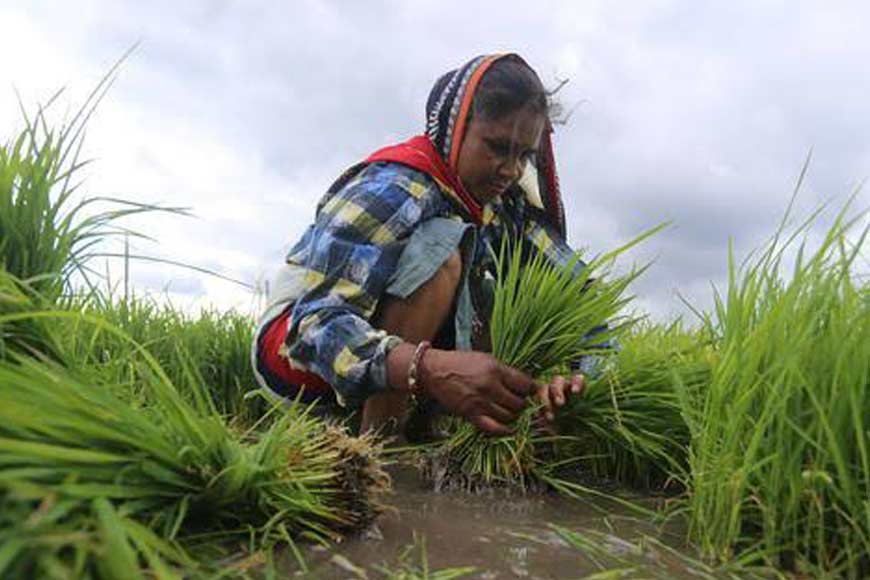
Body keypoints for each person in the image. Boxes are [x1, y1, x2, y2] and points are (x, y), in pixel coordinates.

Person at [252, 53, 587, 438]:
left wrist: (578, 378)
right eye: (496, 147)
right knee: (441, 249)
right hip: (297, 360)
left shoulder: (505, 206)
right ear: (457, 129)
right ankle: (380, 449)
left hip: (396, 358)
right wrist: (427, 368)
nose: (511, 171)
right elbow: (314, 325)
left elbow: (582, 298)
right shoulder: (394, 190)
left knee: (508, 290)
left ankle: (443, 428)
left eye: (524, 155)